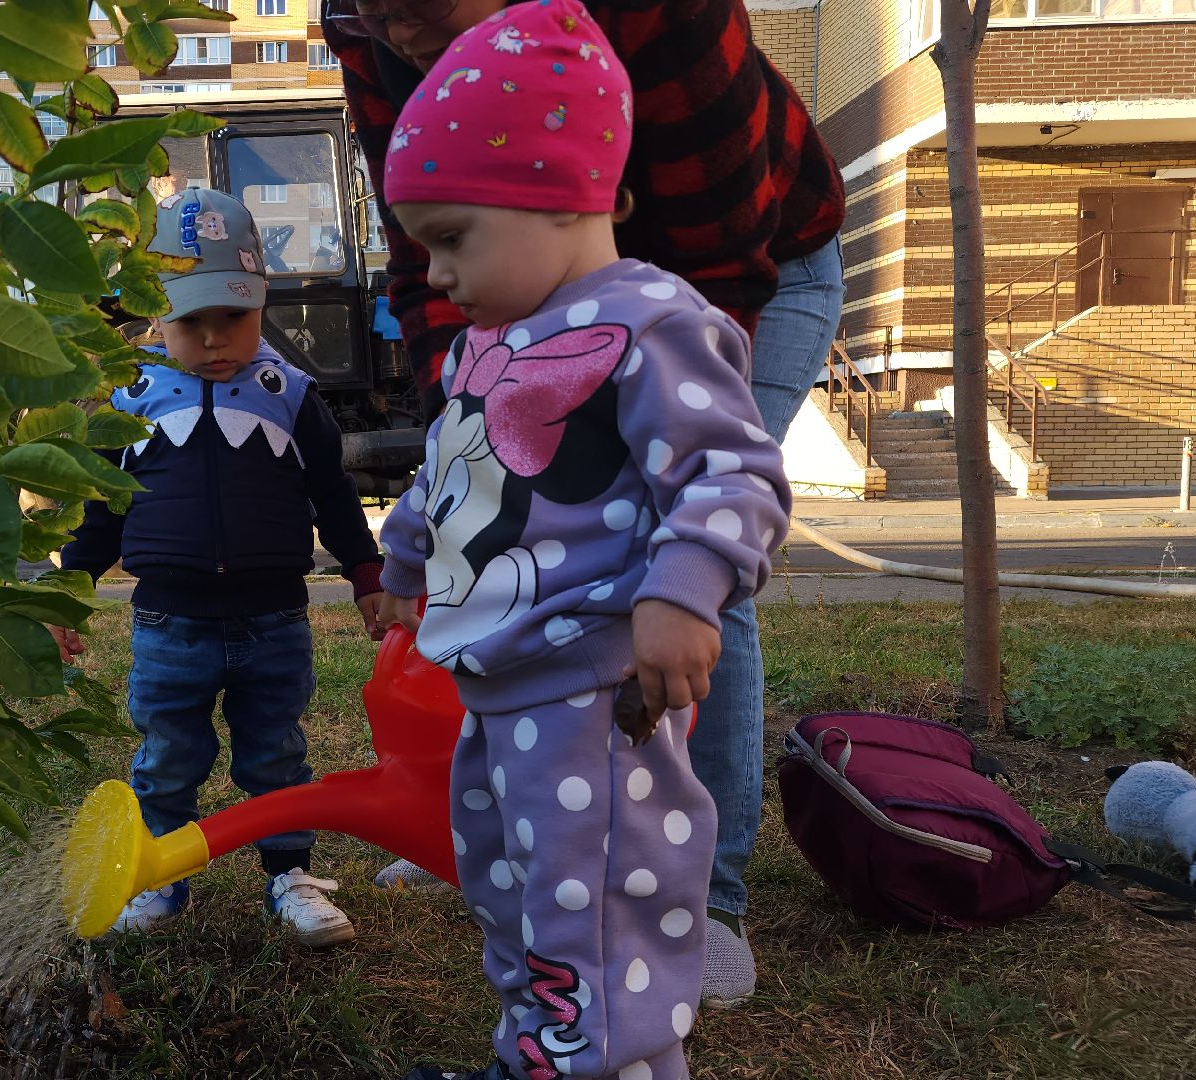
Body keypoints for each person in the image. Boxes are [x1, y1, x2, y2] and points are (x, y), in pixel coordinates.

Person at [324, 0, 847, 1005]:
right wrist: (412, 555)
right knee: (536, 848)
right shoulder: (382, 51)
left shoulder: (659, 321)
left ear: (563, 194)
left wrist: (681, 574)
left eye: (409, 0)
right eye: (358, 4)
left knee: (674, 568)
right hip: (535, 283)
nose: (385, 23)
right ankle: (533, 881)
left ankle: (691, 908)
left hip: (729, 260)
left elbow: (719, 459)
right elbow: (454, 435)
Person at [53, 188, 388, 948]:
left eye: (231, 318)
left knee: (276, 749)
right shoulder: (130, 397)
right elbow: (100, 512)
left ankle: (291, 873)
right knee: (169, 753)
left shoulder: (290, 396)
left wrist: (367, 576)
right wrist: (67, 592)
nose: (212, 341)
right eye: (189, 322)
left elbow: (332, 497)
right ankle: (160, 875)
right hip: (169, 623)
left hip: (274, 621)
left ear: (260, 302)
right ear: (154, 317)